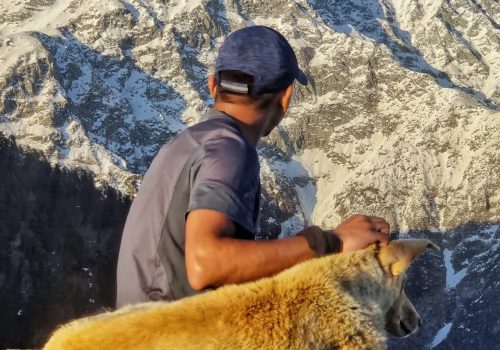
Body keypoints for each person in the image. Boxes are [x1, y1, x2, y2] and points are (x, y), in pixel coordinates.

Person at [116, 25, 390, 308]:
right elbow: (205, 264)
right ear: (286, 97)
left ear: (213, 86)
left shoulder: (185, 144)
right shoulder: (229, 150)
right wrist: (331, 243)